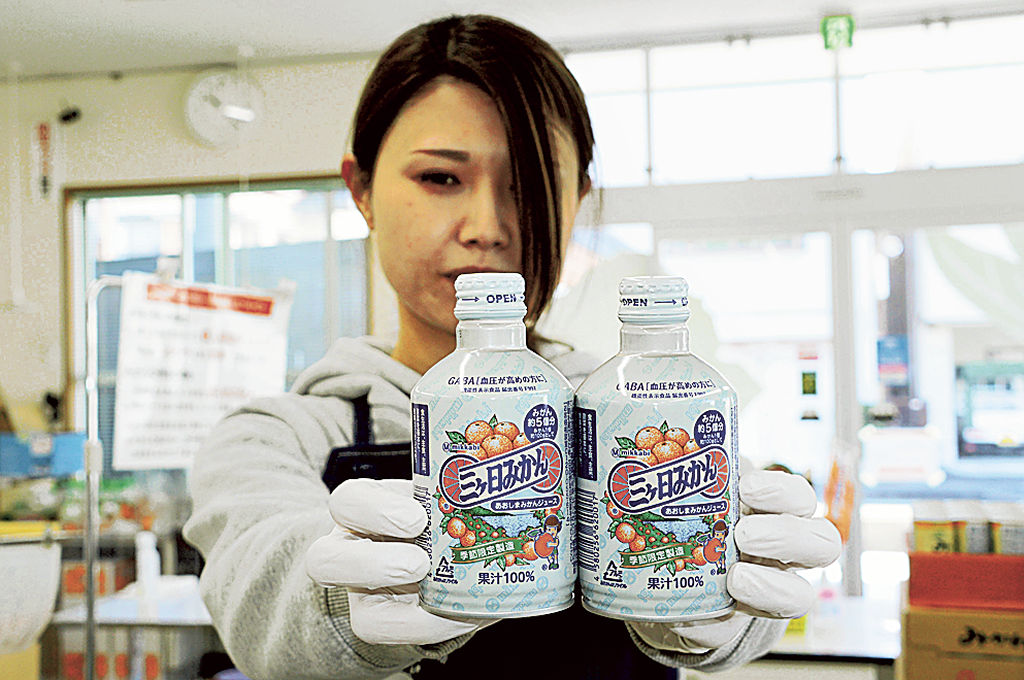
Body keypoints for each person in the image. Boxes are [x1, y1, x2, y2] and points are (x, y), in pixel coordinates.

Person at [183, 14, 842, 680]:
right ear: (362, 191)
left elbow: (745, 563)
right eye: (441, 177)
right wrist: (338, 606)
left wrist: (727, 608)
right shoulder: (276, 435)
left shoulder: (631, 412)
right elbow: (258, 590)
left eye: (527, 183)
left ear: (577, 198)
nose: (487, 226)